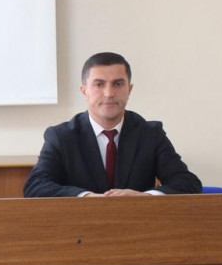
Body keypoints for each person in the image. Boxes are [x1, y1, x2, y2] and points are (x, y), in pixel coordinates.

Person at [23, 52, 200, 198]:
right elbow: (35, 186)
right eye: (99, 84)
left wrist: (145, 197)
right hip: (81, 226)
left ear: (129, 89)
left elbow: (188, 183)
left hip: (136, 224)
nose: (109, 93)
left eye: (118, 84)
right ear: (84, 91)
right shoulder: (61, 137)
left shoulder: (150, 133)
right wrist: (86, 197)